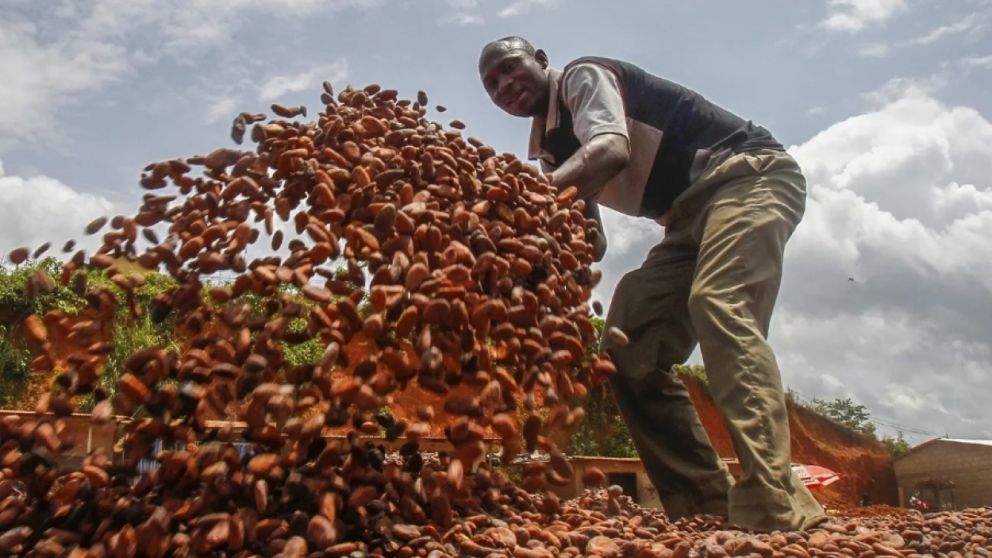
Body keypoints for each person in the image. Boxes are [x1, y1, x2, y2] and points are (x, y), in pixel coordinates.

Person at [478, 36, 827, 532]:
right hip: (683, 220)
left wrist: (515, 202)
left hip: (747, 177)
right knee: (627, 348)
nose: (503, 85)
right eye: (491, 84)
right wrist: (521, 267)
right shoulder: (551, 151)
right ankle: (705, 506)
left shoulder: (582, 77)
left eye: (510, 68)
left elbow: (610, 150)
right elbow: (591, 241)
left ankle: (773, 504)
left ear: (540, 60)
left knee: (719, 303)